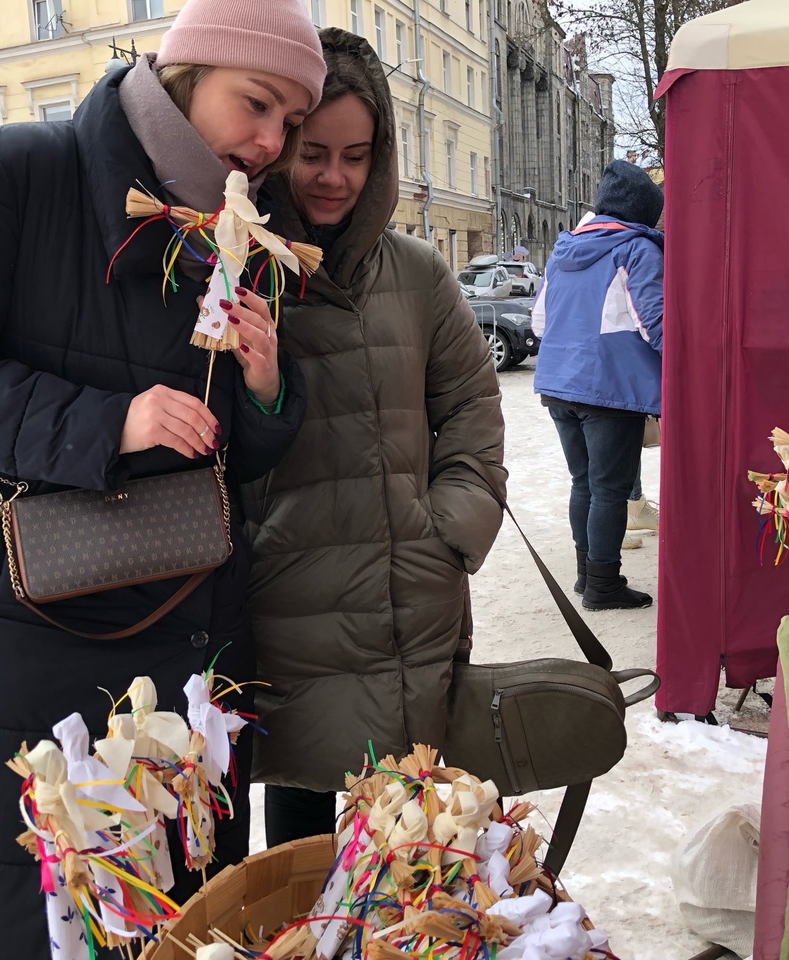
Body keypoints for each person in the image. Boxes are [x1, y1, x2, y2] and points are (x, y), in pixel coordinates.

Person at [0, 1, 324, 955]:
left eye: (291, 121)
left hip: (192, 631)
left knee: (191, 914)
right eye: (257, 103)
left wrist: (270, 389)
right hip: (29, 633)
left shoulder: (243, 229)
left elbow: (229, 455)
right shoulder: (11, 172)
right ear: (185, 74)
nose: (271, 140)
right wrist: (111, 421)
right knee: (45, 915)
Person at [242, 28, 507, 846]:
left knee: (402, 847)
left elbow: (471, 409)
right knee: (297, 838)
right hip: (289, 612)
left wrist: (448, 531)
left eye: (356, 155)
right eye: (314, 151)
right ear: (280, 144)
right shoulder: (238, 268)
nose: (334, 176)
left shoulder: (419, 274)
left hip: (406, 607)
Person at [531, 159, 664, 611]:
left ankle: (587, 574)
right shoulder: (636, 249)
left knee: (583, 483)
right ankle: (604, 586)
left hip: (558, 385)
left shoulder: (562, 251)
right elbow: (657, 324)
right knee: (609, 488)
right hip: (611, 388)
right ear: (644, 213)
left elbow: (539, 321)